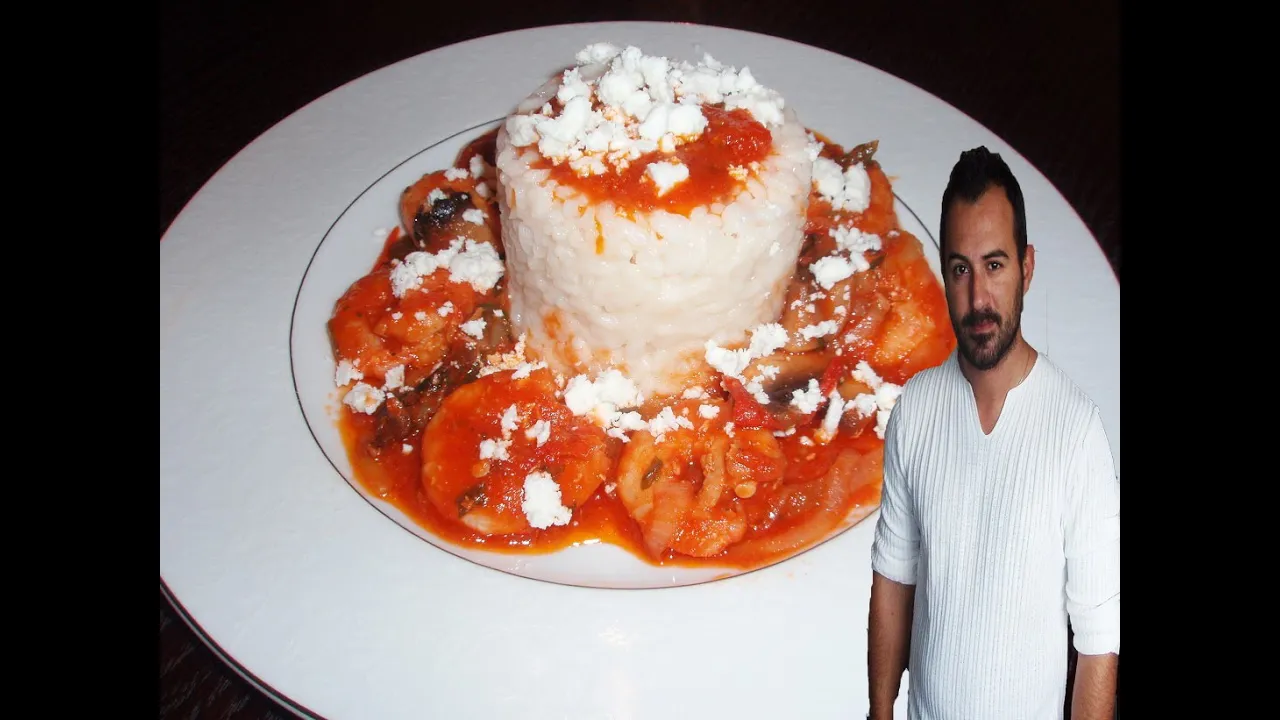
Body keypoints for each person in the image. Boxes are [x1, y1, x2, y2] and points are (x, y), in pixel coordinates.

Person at [865, 146, 1119, 719]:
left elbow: (1099, 640)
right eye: (961, 269)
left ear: (1027, 268)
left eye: (995, 265)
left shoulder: (1076, 432)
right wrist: (880, 712)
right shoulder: (917, 409)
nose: (978, 298)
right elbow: (894, 575)